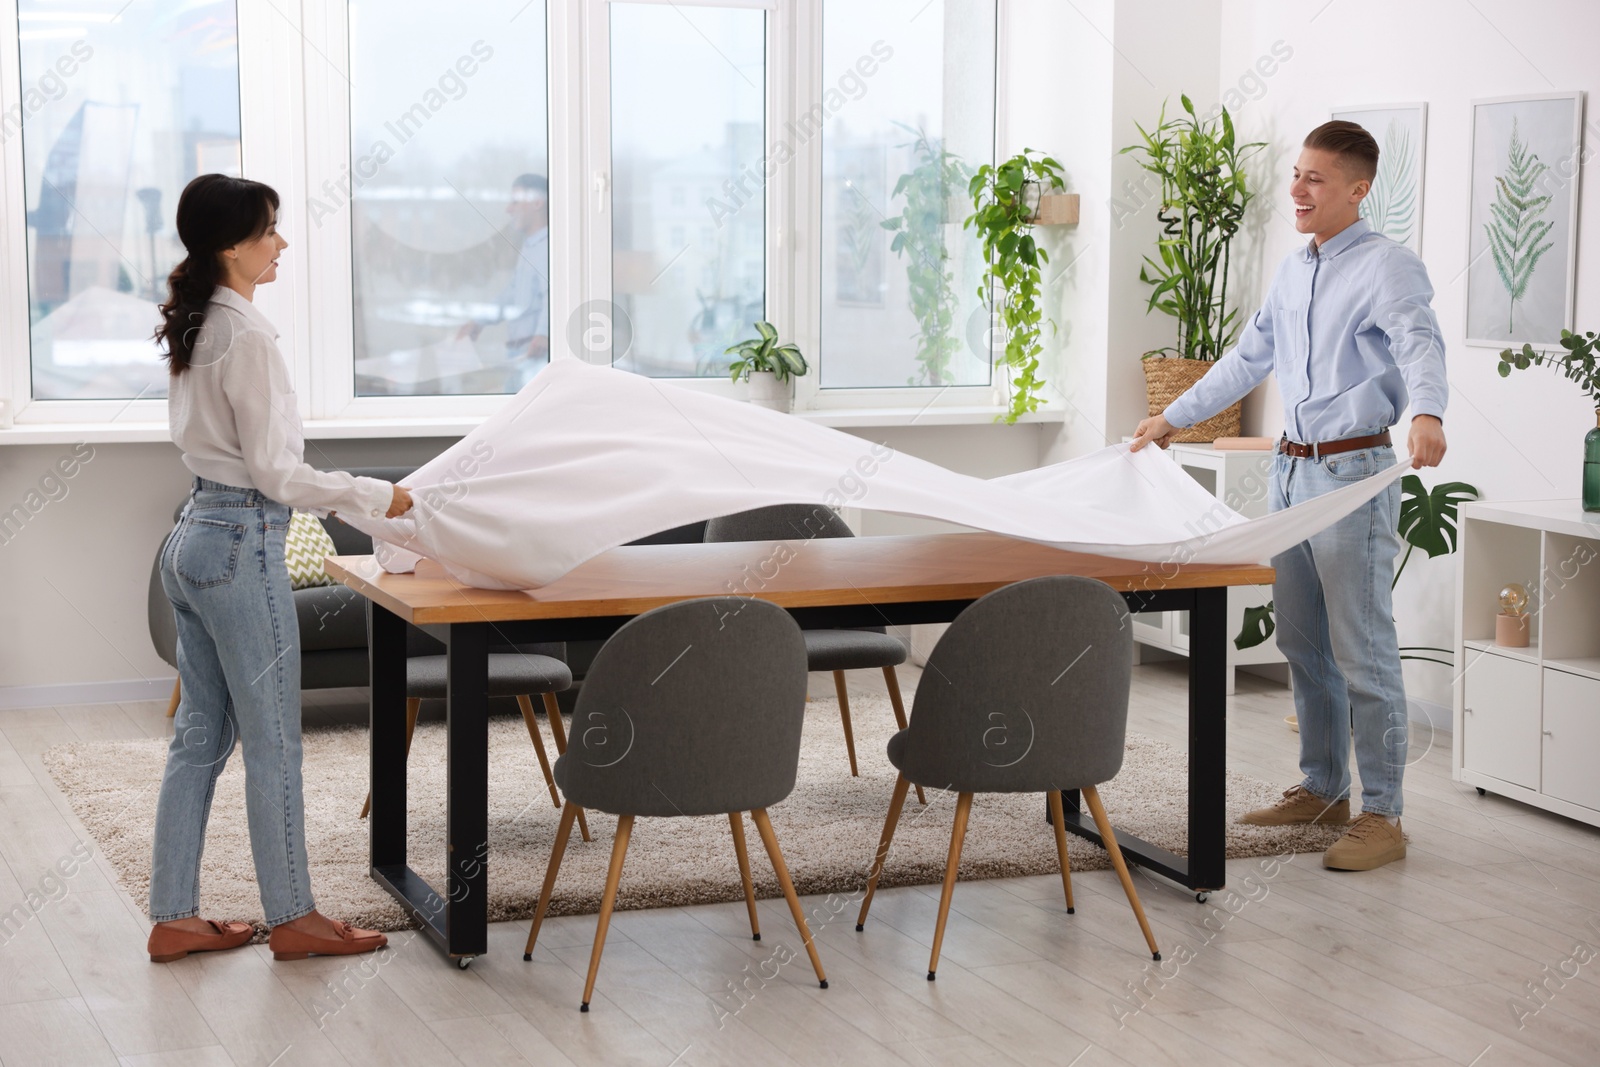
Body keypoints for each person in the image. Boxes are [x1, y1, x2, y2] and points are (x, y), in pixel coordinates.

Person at [1131, 120, 1448, 872]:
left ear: (1358, 190)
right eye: (1296, 175)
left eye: (1315, 179)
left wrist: (1429, 412)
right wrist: (1171, 419)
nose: (1297, 190)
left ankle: (1384, 815)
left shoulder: (1388, 267)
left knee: (1362, 649)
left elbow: (1419, 341)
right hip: (1290, 472)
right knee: (1302, 640)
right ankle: (1322, 787)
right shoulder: (1293, 268)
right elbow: (1249, 356)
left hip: (1351, 475)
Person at [147, 173, 409, 962]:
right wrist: (375, 496)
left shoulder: (201, 324)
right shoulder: (248, 335)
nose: (282, 243)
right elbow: (276, 475)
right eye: (270, 231)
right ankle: (295, 917)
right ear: (231, 245)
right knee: (273, 744)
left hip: (192, 538)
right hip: (240, 541)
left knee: (199, 735)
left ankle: (173, 916)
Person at [456, 172, 550, 392]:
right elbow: (511, 294)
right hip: (520, 356)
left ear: (537, 202)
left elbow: (552, 294)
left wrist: (544, 334)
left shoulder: (548, 248)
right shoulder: (531, 247)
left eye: (515, 202)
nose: (509, 209)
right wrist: (479, 320)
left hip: (537, 359)